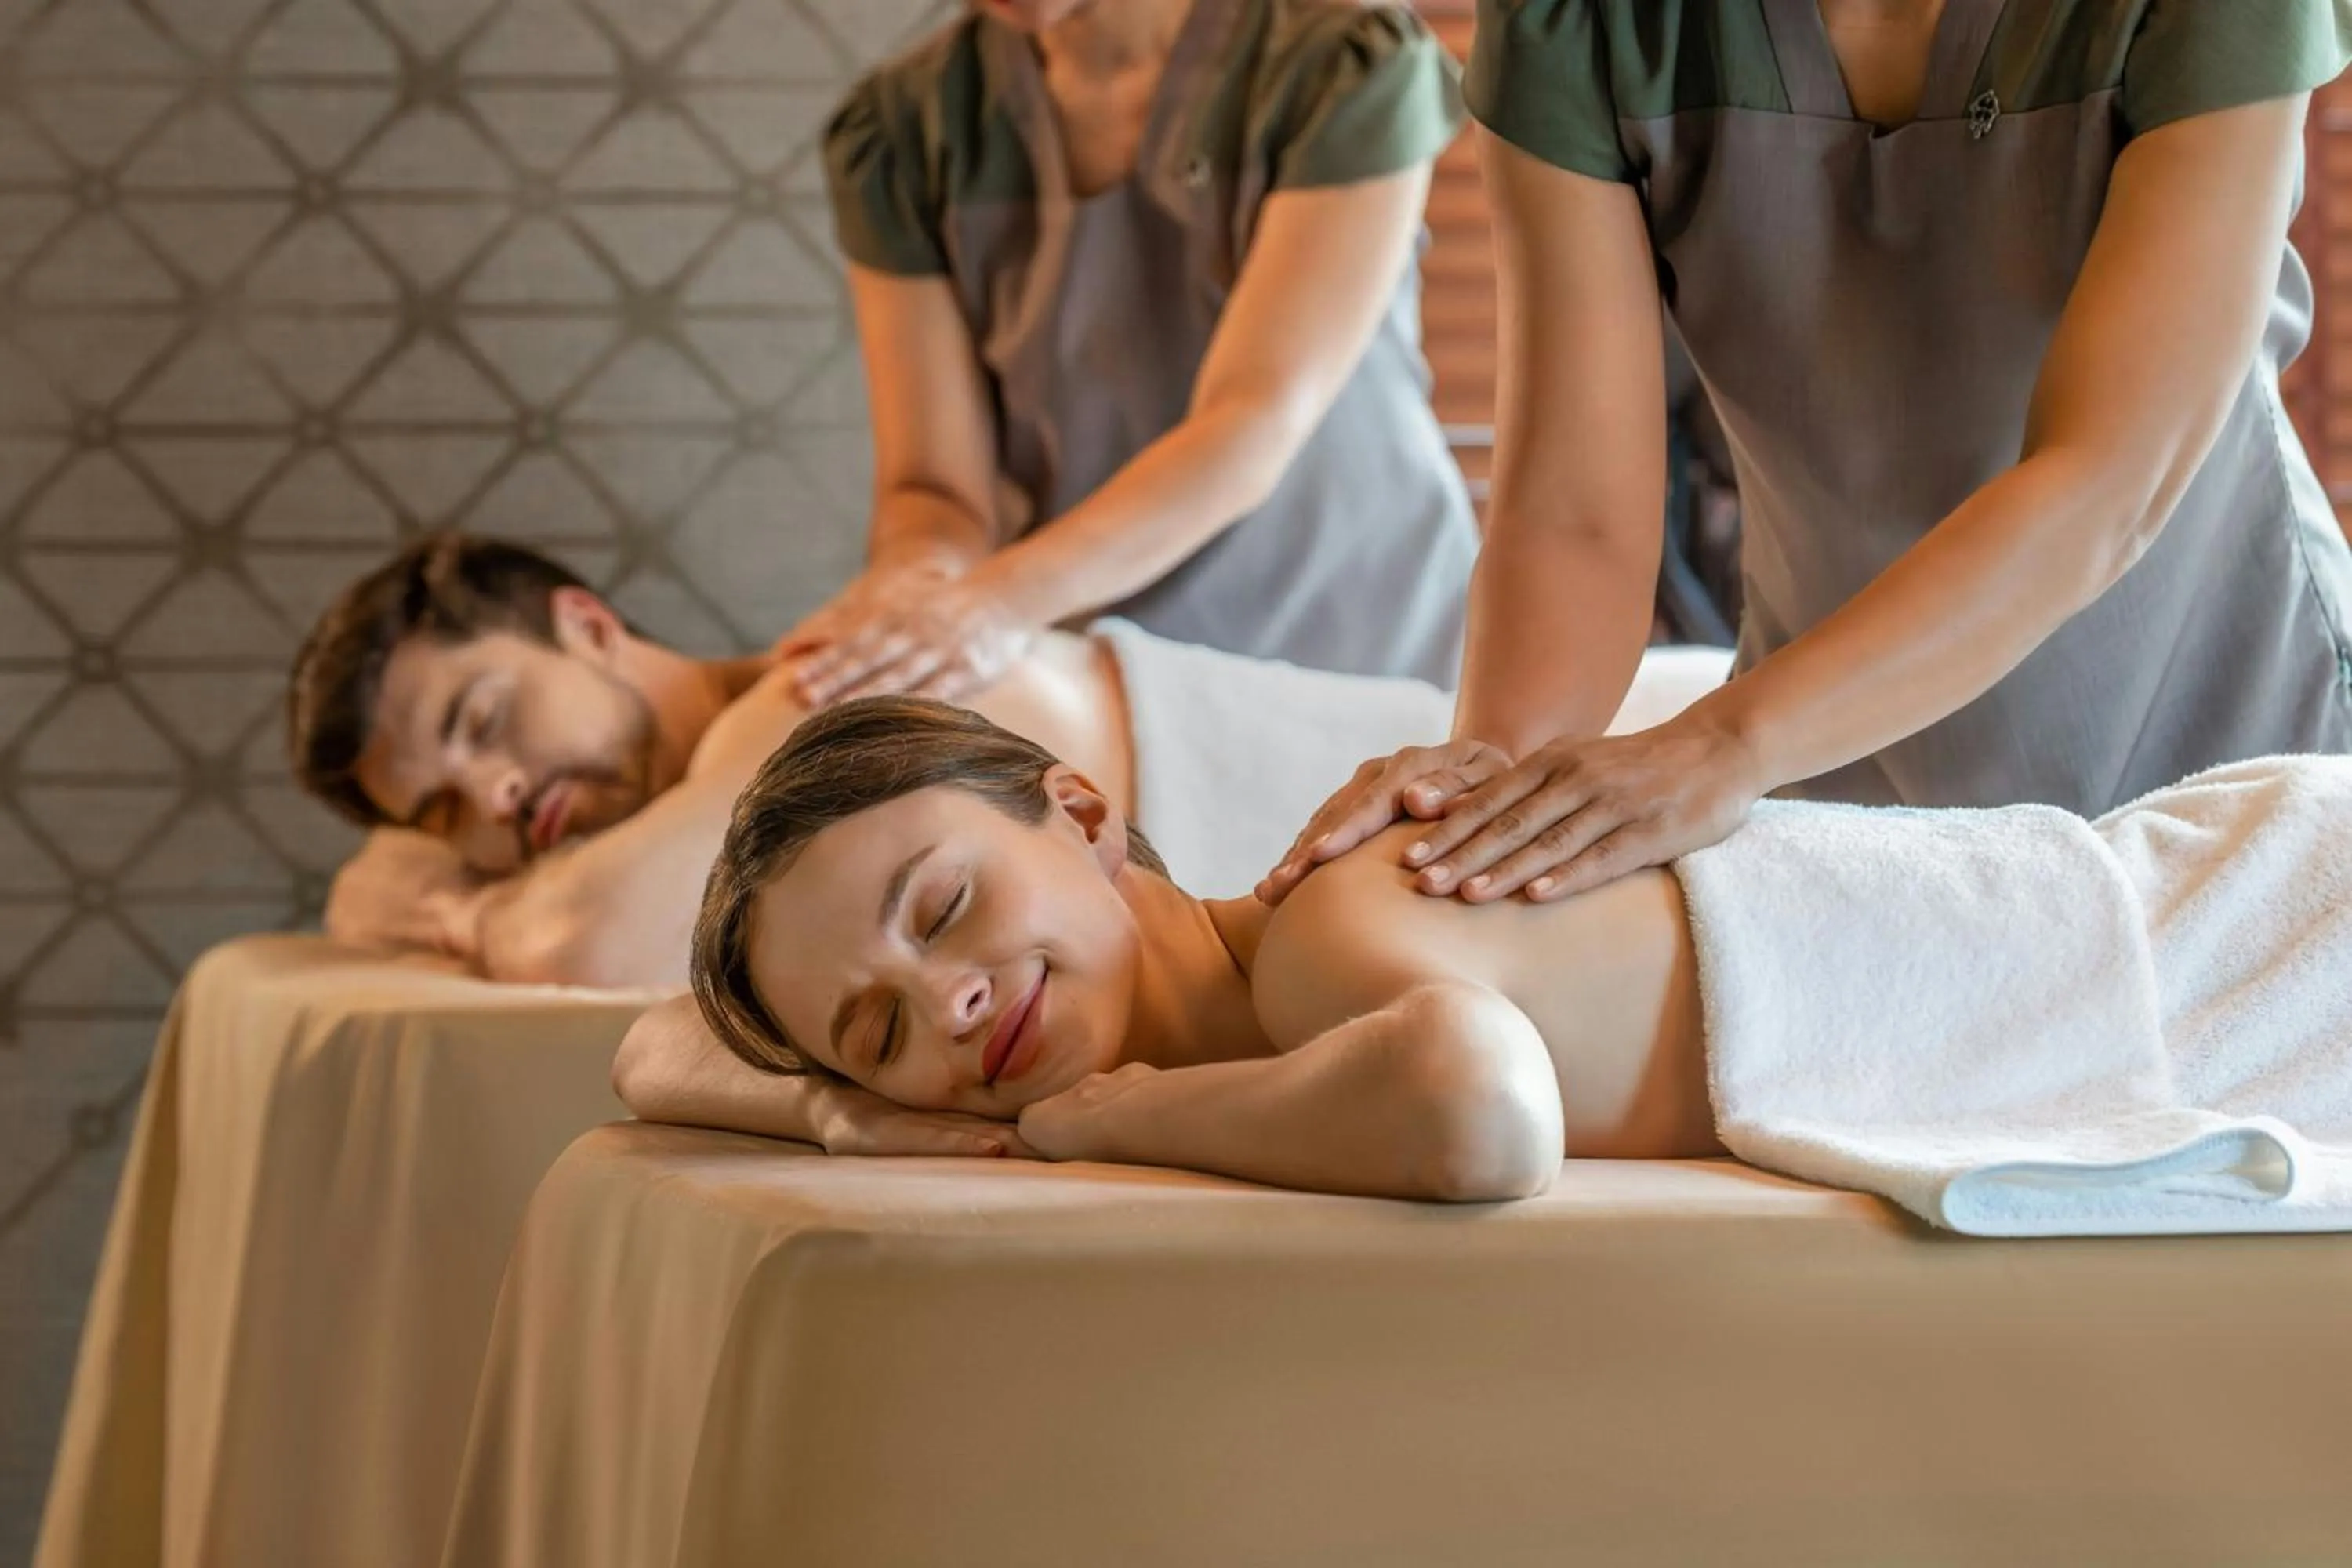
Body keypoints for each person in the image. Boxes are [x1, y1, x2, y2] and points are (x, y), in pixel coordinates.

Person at [1261, 0, 2352, 915]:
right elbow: (1576, 515)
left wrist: (1722, 745)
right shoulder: (1584, 23)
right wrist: (1492, 778)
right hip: (1831, 791)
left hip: (2227, 767)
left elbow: (2110, 479)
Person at [678, 699, 2352, 1215]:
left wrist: (1104, 1119)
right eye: (877, 1029)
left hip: (2248, 942)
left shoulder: (1331, 933)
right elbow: (649, 1053)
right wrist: (838, 1111)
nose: (948, 1000)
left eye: (943, 910)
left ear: (1083, 809)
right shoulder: (1279, 1037)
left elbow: (1479, 1109)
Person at [291, 532, 1730, 993]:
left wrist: (455, 901)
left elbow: (585, 942)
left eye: (484, 721)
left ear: (586, 625)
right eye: (444, 811)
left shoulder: (822, 704)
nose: (494, 799)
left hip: (1637, 755)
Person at [776, 0, 1481, 706]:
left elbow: (1252, 419)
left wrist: (995, 604)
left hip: (1360, 633)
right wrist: (916, 583)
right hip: (1086, 641)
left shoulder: (1336, 67)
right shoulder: (904, 129)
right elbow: (935, 487)